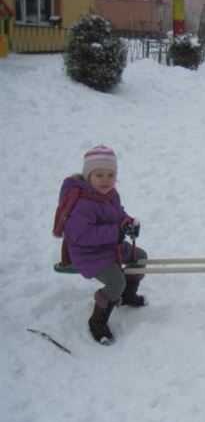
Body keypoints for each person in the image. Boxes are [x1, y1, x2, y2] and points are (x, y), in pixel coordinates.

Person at [53, 145, 147, 345]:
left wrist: (127, 223)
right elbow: (81, 235)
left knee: (140, 257)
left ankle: (127, 296)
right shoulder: (82, 203)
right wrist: (116, 232)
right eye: (99, 175)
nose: (106, 180)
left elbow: (118, 213)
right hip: (88, 255)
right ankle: (97, 321)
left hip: (110, 247)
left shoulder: (111, 194)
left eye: (111, 175)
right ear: (88, 176)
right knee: (116, 282)